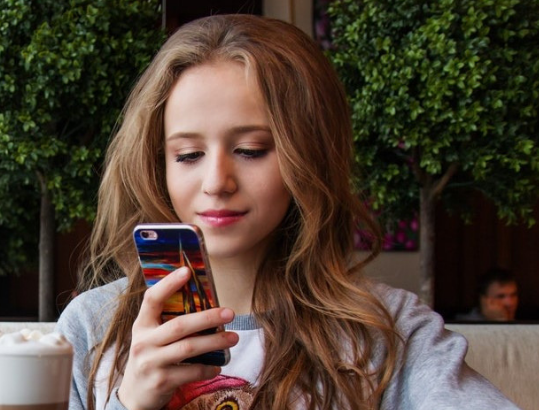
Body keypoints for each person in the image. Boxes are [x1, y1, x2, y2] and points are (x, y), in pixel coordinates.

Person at [55, 14, 515, 410]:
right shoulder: (93, 326)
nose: (216, 181)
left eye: (251, 150)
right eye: (188, 155)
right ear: (158, 165)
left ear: (309, 155)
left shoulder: (387, 330)